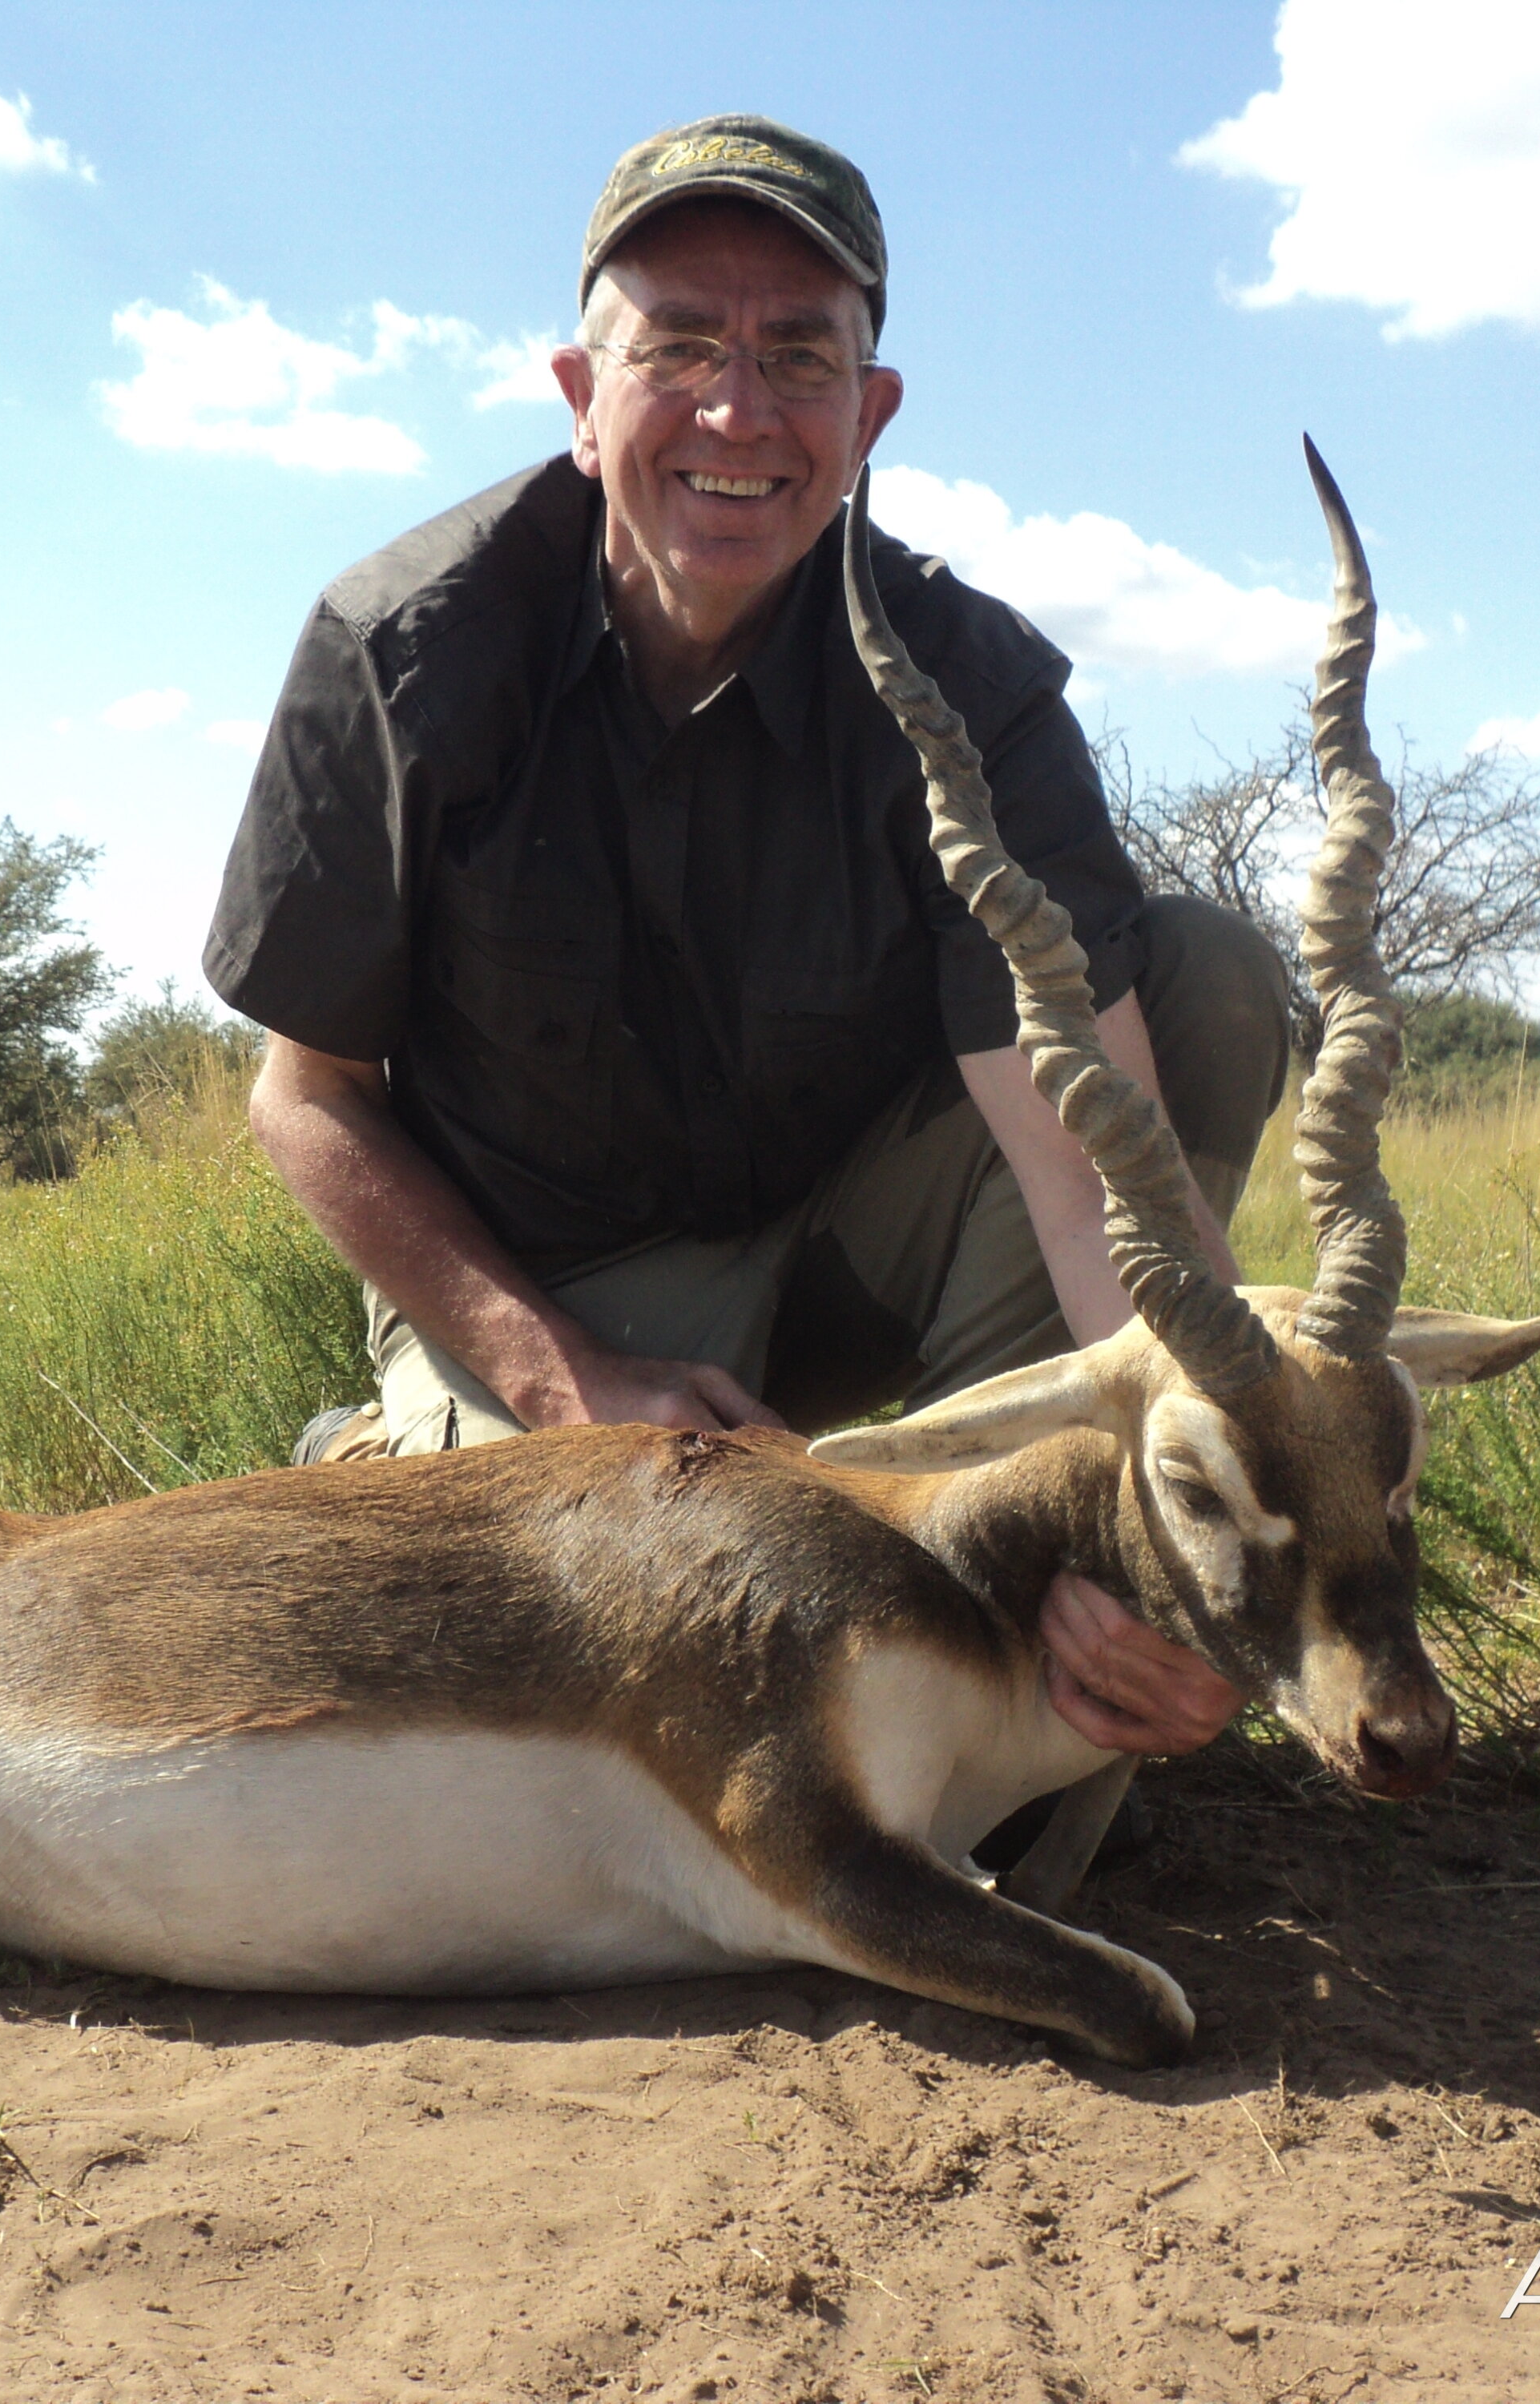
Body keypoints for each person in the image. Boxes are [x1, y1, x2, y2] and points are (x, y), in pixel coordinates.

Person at [202, 115, 1287, 1789]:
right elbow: (306, 1101)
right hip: (553, 1287)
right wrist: (560, 1385)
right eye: (680, 349)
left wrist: (1191, 1524)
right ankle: (398, 1457)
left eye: (797, 355)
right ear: (580, 394)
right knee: (575, 1688)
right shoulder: (399, 651)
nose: (736, 409)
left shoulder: (970, 684)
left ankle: (995, 1556)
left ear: (868, 413)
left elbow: (1086, 1179)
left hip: (859, 1259)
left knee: (1201, 981)